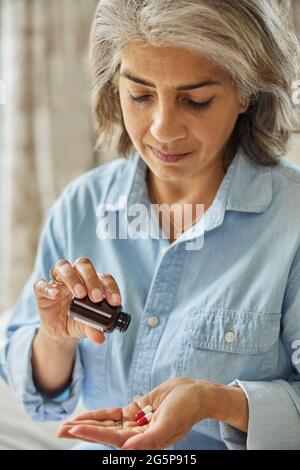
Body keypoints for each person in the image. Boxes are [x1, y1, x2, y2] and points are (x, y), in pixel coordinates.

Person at [1, 0, 300, 450]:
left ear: (246, 92)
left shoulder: (290, 221)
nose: (162, 129)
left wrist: (217, 402)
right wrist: (56, 336)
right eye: (140, 95)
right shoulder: (83, 205)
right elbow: (39, 392)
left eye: (195, 101)